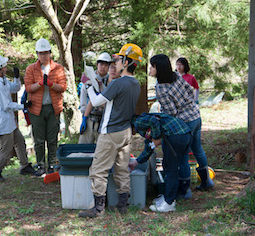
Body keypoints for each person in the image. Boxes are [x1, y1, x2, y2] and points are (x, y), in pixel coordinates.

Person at [78, 43, 142, 218]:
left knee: (98, 170)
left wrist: (89, 85)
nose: (116, 62)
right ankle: (122, 205)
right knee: (121, 169)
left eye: (119, 59)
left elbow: (98, 101)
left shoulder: (118, 83)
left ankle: (98, 209)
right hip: (126, 132)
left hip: (110, 131)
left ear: (127, 62)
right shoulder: (136, 84)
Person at [149, 54, 214, 193]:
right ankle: (206, 181)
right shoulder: (175, 75)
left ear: (158, 68)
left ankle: (185, 191)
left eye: (152, 66)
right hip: (196, 116)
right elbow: (190, 90)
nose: (150, 68)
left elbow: (171, 112)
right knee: (198, 149)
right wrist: (188, 104)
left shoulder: (160, 88)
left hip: (185, 123)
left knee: (183, 156)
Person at [0, 54, 36, 181]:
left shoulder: (3, 81)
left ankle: (24, 166)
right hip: (3, 122)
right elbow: (6, 105)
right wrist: (23, 106)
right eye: (3, 66)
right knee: (6, 149)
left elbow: (15, 88)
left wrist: (16, 78)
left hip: (9, 121)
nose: (5, 68)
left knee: (20, 142)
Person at [129, 113, 192, 212]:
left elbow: (153, 123)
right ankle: (170, 196)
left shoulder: (138, 122)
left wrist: (156, 138)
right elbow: (150, 146)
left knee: (170, 168)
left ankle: (169, 202)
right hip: (185, 133)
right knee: (172, 166)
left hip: (175, 136)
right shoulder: (144, 124)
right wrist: (136, 162)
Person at [24, 38, 67, 177]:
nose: (43, 56)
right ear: (37, 54)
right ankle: (41, 165)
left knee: (52, 138)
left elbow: (63, 87)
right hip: (36, 109)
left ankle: (53, 164)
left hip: (53, 107)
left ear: (50, 53)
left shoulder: (58, 68)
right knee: (39, 139)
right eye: (41, 53)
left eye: (46, 53)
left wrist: (51, 84)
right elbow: (28, 88)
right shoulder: (31, 68)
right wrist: (41, 84)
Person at [79, 53, 113, 144]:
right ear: (97, 65)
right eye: (101, 64)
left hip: (103, 119)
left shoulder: (111, 80)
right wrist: (84, 117)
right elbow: (83, 97)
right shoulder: (88, 77)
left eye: (106, 65)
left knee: (102, 149)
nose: (103, 67)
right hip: (89, 117)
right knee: (83, 148)